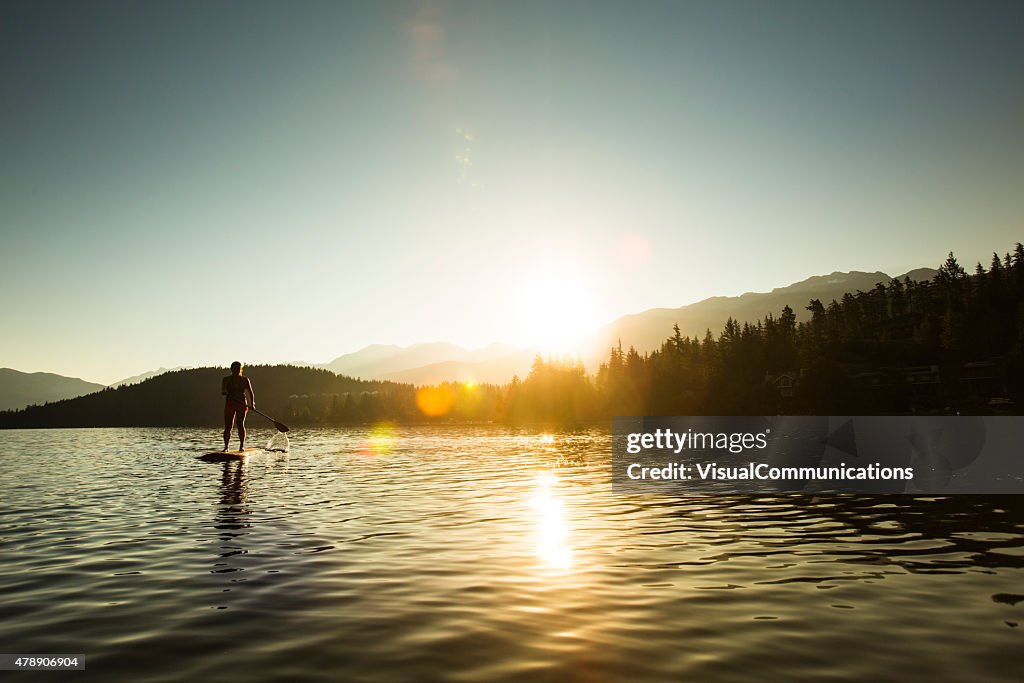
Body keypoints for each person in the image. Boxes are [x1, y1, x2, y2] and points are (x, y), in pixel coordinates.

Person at [221, 361, 255, 452]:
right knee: (228, 426)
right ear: (231, 369)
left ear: (240, 370)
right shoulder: (226, 379)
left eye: (238, 369)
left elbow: (250, 393)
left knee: (240, 424)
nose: (236, 371)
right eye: (234, 369)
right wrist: (224, 392)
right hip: (230, 403)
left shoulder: (245, 380)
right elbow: (223, 389)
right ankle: (226, 447)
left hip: (241, 403)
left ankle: (241, 446)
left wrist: (252, 404)